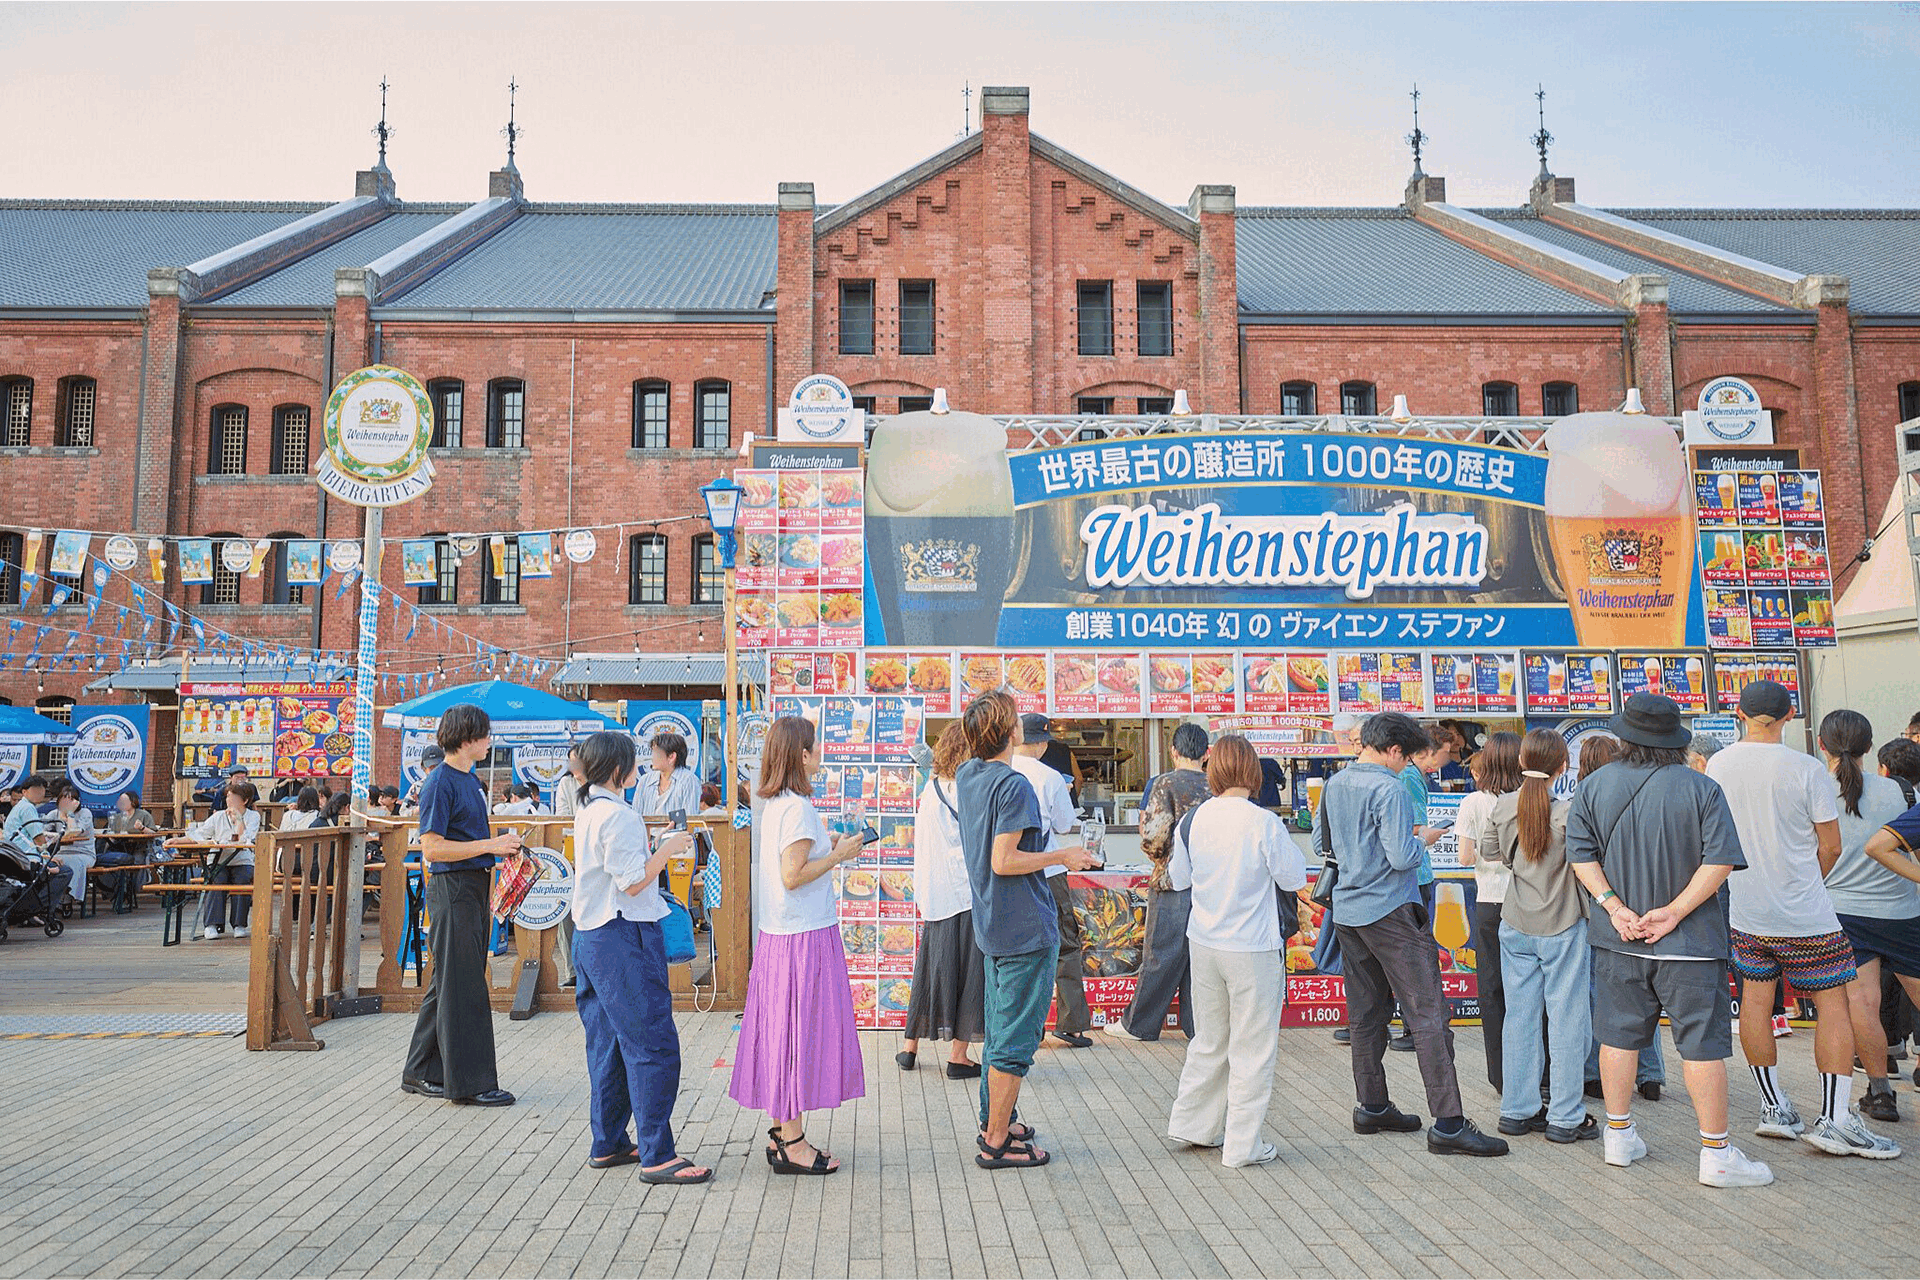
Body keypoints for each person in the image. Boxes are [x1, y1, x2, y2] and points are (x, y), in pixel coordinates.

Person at [1567, 692, 1770, 1187]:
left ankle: (1618, 1137)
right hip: (1692, 944)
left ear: (1625, 736)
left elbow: (1580, 856)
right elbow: (1719, 861)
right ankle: (1716, 1154)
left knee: (1617, 1037)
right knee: (1702, 1046)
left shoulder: (1592, 787)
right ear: (1675, 740)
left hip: (1618, 938)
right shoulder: (1702, 788)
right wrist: (1675, 912)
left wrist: (1614, 907)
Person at [1707, 681, 1899, 1159]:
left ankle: (1774, 1108)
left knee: (1756, 1001)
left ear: (1739, 713)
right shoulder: (1807, 768)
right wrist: (1807, 882)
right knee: (1833, 1005)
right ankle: (1834, 1119)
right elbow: (1830, 846)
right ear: (1789, 716)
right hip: (1806, 914)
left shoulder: (1719, 764)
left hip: (1747, 908)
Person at [1322, 710, 1507, 1157]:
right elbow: (1403, 858)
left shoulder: (1335, 783)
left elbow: (1321, 845)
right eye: (1405, 757)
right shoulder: (1389, 788)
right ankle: (1449, 1123)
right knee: (1428, 1015)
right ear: (1393, 750)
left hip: (1348, 912)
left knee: (1366, 1014)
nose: (1406, 764)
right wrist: (1422, 839)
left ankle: (1372, 1105)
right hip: (1391, 911)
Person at [959, 691, 1097, 1170]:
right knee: (1015, 1040)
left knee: (1000, 1031)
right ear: (1010, 731)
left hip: (992, 923)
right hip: (1025, 927)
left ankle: (997, 1120)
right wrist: (1063, 855)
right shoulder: (1013, 785)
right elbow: (1004, 860)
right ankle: (997, 1141)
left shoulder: (969, 775)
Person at [567, 730, 711, 1183]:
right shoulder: (618, 815)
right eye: (634, 760)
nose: (640, 766)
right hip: (623, 935)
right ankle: (657, 1153)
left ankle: (609, 1141)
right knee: (652, 1044)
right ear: (618, 769)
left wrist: (655, 846)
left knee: (608, 1045)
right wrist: (668, 848)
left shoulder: (589, 807)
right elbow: (632, 883)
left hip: (590, 935)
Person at [728, 715, 866, 1174]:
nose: (820, 751)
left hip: (780, 935)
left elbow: (791, 865)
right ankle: (794, 1143)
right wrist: (839, 855)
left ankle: (783, 1134)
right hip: (803, 936)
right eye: (815, 745)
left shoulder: (777, 804)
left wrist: (830, 847)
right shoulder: (799, 808)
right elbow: (793, 875)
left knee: (783, 1036)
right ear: (802, 755)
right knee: (798, 1037)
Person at [1165, 735, 1306, 1167]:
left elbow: (1179, 879)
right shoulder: (1263, 822)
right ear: (1253, 771)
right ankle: (1243, 1146)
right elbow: (1293, 877)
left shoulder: (1193, 820)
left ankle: (1193, 1125)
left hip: (1204, 941)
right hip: (1253, 948)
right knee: (1252, 1048)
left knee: (1210, 1039)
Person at [1472, 730, 1595, 1143]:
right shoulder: (1569, 813)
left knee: (1519, 1017)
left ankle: (1516, 1110)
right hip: (1562, 923)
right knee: (1567, 1020)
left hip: (1515, 921)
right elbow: (1587, 862)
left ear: (1522, 761)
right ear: (1563, 766)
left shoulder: (1505, 806)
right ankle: (1565, 1116)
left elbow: (1490, 852)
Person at [401, 704, 522, 1108]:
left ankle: (419, 1069)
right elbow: (432, 848)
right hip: (452, 888)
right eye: (485, 735)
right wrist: (491, 845)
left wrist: (498, 851)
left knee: (449, 981)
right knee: (465, 985)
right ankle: (470, 1083)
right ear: (467, 738)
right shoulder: (439, 782)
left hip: (471, 886)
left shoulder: (470, 781)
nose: (490, 741)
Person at [1819, 710, 1920, 1123]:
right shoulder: (1901, 790)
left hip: (1844, 914)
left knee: (1862, 1003)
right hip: (1903, 912)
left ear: (1822, 745)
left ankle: (1880, 1093)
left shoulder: (1816, 789)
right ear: (1870, 746)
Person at [1572, 735, 1665, 1102]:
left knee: (1603, 994)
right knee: (1647, 992)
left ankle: (1596, 1073)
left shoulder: (1583, 800)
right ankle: (1650, 1074)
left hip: (1601, 907)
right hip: (1644, 904)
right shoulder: (1642, 796)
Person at [1108, 722, 1211, 1042]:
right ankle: (1197, 1027)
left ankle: (1139, 1025)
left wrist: (1158, 856)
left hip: (1170, 882)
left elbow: (1154, 837)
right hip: (1209, 883)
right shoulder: (1216, 785)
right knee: (1198, 959)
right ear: (1206, 754)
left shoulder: (1165, 783)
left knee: (1160, 954)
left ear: (1173, 751)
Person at [898, 723, 985, 1077]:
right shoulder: (966, 790)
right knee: (970, 975)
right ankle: (958, 1056)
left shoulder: (930, 789)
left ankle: (909, 1048)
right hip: (963, 893)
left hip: (933, 895)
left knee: (930, 970)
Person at [1011, 713, 1094, 1049]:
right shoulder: (1050, 777)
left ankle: (1022, 1027)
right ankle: (1071, 1025)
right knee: (1065, 945)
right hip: (1049, 872)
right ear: (1043, 743)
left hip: (1010, 873)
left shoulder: (999, 771)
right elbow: (1063, 825)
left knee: (1018, 950)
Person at [1456, 731, 1521, 1091]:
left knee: (1492, 990)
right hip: (1526, 903)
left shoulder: (1473, 803)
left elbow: (1465, 858)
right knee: (1531, 990)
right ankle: (1539, 1073)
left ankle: (1500, 1076)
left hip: (1489, 902)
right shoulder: (1530, 799)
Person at [167, 780, 261, 939]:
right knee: (215, 879)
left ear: (244, 801)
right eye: (228, 797)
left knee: (243, 880)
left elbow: (247, 838)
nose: (229, 801)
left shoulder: (253, 816)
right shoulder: (218, 816)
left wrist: (238, 819)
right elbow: (200, 834)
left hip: (242, 859)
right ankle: (211, 925)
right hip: (218, 859)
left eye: (233, 797)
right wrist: (177, 840)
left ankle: (239, 924)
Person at [46, 781, 97, 908]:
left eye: (71, 800)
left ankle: (68, 896)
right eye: (64, 800)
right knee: (47, 862)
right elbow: (41, 831)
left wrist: (70, 814)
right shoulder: (54, 814)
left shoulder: (85, 813)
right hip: (62, 852)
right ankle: (52, 897)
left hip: (84, 853)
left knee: (71, 861)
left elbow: (73, 833)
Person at [633, 731, 702, 821]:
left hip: (676, 830)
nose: (653, 757)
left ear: (671, 757)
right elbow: (636, 816)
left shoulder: (689, 781)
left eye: (657, 753)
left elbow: (689, 819)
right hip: (646, 830)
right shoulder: (645, 781)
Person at [402, 746, 444, 814]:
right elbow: (403, 812)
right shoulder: (418, 787)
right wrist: (418, 810)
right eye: (430, 767)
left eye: (436, 766)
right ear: (423, 767)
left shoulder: (451, 785)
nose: (433, 770)